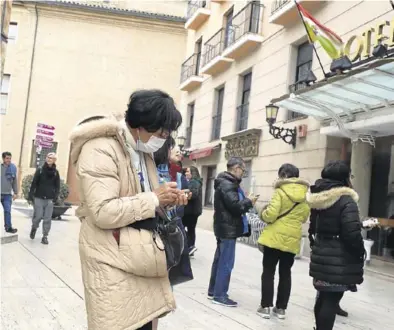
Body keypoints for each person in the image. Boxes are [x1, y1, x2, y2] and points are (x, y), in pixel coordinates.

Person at [69, 90, 188, 330]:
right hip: (111, 256)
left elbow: (145, 197)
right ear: (141, 126)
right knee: (121, 323)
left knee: (145, 321)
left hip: (141, 255)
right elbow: (102, 211)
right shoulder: (100, 148)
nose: (163, 138)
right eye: (161, 132)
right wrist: (154, 199)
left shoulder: (143, 151)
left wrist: (168, 199)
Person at [307, 160, 364, 330]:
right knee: (331, 300)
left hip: (321, 251)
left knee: (323, 297)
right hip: (339, 257)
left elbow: (312, 226)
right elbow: (352, 233)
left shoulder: (317, 197)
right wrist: (360, 251)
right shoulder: (346, 200)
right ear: (344, 178)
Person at [257, 164, 310, 320]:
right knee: (285, 274)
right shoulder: (305, 195)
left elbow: (271, 215)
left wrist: (263, 212)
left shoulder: (280, 191)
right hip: (292, 239)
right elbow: (304, 217)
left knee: (268, 272)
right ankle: (280, 309)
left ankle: (265, 307)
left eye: (280, 175)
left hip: (274, 238)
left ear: (285, 175)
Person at [208, 157, 253, 307]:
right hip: (228, 229)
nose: (243, 173)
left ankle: (213, 291)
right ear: (236, 168)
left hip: (223, 227)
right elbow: (235, 206)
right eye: (243, 170)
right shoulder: (228, 184)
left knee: (219, 260)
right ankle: (220, 295)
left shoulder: (224, 182)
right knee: (226, 262)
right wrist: (249, 201)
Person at [28, 153, 60, 245]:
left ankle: (45, 236)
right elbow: (34, 183)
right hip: (39, 197)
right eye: (48, 157)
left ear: (54, 160)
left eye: (52, 158)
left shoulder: (55, 172)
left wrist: (55, 196)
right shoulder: (40, 170)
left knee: (47, 219)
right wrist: (31, 195)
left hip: (50, 199)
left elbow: (57, 186)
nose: (49, 159)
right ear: (46, 159)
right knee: (38, 216)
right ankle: (34, 228)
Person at [183, 166, 203, 256]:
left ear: (193, 173)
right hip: (193, 211)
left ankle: (190, 247)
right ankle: (191, 247)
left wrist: (183, 195)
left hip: (191, 211)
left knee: (183, 228)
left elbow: (193, 194)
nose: (186, 173)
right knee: (191, 229)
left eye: (188, 171)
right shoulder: (195, 181)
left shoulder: (194, 182)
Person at [1, 151, 18, 233]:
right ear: (3, 159)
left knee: (8, 211)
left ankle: (8, 227)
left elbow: (14, 181)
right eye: (7, 158)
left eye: (10, 158)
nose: (9, 160)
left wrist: (15, 192)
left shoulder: (13, 168)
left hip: (7, 194)